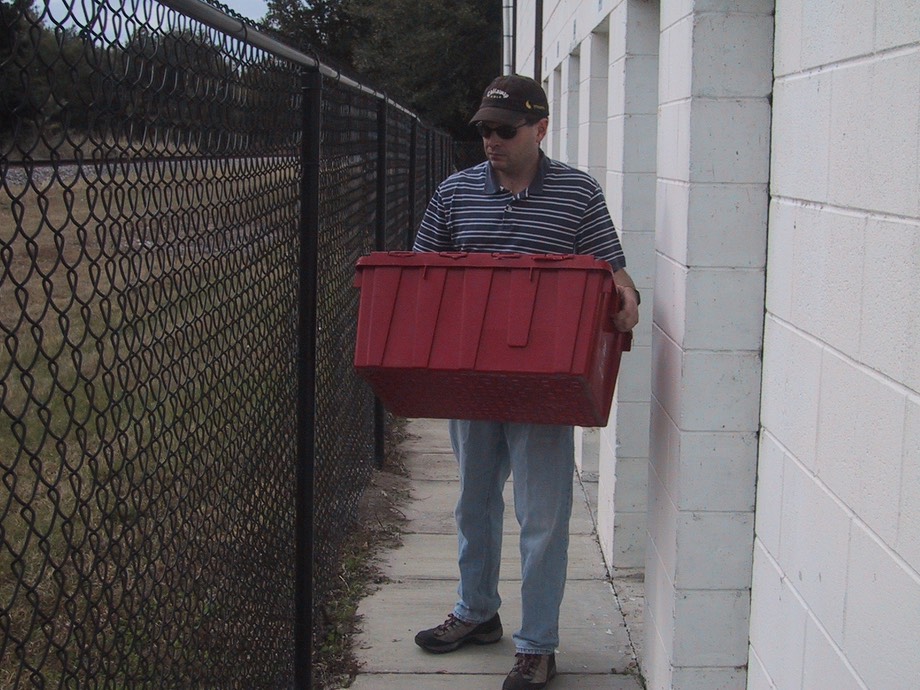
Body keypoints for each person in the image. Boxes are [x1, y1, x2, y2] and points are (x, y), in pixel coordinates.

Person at [411, 74, 640, 690]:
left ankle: (537, 645)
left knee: (541, 517)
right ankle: (476, 613)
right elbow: (421, 276)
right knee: (473, 506)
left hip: (544, 385)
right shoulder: (456, 193)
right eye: (484, 129)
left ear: (540, 128)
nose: (491, 140)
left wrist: (626, 297)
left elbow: (612, 273)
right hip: (473, 379)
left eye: (504, 130)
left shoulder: (577, 194)